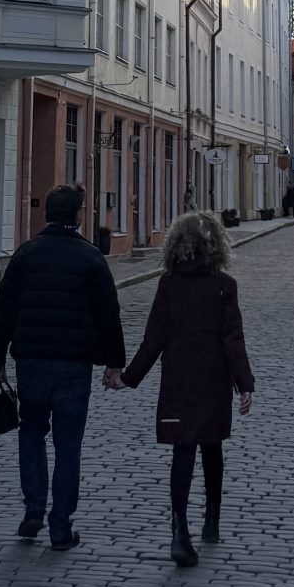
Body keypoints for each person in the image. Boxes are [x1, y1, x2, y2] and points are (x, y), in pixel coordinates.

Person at [113, 209, 254, 567]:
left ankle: (179, 528)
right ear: (215, 245)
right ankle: (211, 520)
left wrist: (128, 377)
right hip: (213, 380)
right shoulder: (225, 285)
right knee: (212, 448)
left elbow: (153, 339)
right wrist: (244, 384)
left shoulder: (169, 284)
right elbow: (232, 339)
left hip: (178, 379)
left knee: (183, 451)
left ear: (177, 244)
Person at [0, 183, 125, 549]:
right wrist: (115, 363)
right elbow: (109, 315)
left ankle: (33, 510)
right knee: (68, 444)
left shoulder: (26, 254)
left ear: (47, 214)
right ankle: (60, 527)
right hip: (72, 365)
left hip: (30, 360)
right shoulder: (91, 258)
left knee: (31, 433)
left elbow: (5, 309)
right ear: (77, 215)